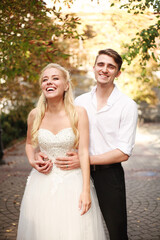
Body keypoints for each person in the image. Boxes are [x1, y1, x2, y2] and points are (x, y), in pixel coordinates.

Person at [34, 49, 138, 240]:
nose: (104, 69)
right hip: (75, 175)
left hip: (108, 175)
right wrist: (43, 153)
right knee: (76, 230)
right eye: (101, 64)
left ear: (118, 73)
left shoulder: (127, 105)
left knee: (117, 232)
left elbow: (124, 152)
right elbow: (58, 126)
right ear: (94, 68)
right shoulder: (80, 102)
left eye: (111, 66)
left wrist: (86, 160)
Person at [16, 63, 107, 240]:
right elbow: (29, 144)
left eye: (55, 78)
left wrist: (86, 190)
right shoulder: (35, 115)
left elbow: (83, 153)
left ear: (66, 85)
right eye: (45, 79)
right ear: (42, 86)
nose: (49, 82)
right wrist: (32, 159)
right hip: (40, 185)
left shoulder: (78, 113)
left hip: (73, 184)